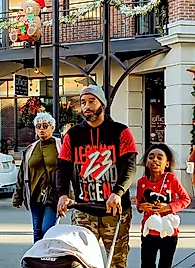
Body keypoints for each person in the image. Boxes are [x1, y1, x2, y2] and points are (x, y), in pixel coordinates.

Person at [56, 85, 138, 268]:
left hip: (115, 211)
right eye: (83, 102)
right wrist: (62, 194)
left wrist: (118, 192)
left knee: (117, 261)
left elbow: (130, 167)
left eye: (91, 101)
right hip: (83, 209)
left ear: (102, 104)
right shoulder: (72, 135)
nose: (86, 106)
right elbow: (62, 167)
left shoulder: (121, 131)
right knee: (81, 261)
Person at [137, 143, 191, 268]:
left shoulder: (171, 179)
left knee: (165, 264)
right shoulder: (142, 182)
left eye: (160, 157)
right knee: (147, 264)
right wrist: (142, 207)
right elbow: (139, 204)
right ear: (146, 162)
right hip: (149, 232)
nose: (155, 160)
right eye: (151, 157)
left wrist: (169, 207)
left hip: (168, 232)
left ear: (167, 163)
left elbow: (185, 199)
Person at [13, 112, 62, 242]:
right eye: (38, 126)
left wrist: (69, 195)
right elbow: (22, 173)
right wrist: (17, 197)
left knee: (48, 229)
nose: (41, 129)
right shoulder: (31, 149)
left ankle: (49, 258)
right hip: (34, 195)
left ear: (52, 127)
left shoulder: (60, 146)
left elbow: (70, 171)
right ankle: (38, 259)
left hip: (53, 196)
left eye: (45, 126)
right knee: (37, 231)